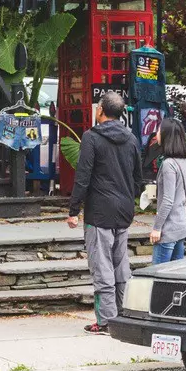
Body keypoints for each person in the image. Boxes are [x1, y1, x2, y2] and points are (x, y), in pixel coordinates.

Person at [67, 91, 141, 334]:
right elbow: (137, 177)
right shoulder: (131, 139)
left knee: (102, 266)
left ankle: (107, 320)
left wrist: (73, 210)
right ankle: (123, 313)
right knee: (121, 265)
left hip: (99, 211)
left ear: (100, 110)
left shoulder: (91, 138)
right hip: (124, 209)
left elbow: (83, 175)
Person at [150, 116, 186, 264]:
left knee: (158, 275)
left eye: (158, 130)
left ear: (166, 135)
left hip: (168, 229)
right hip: (182, 226)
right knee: (174, 278)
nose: (156, 133)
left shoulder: (169, 164)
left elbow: (168, 201)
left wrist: (157, 228)